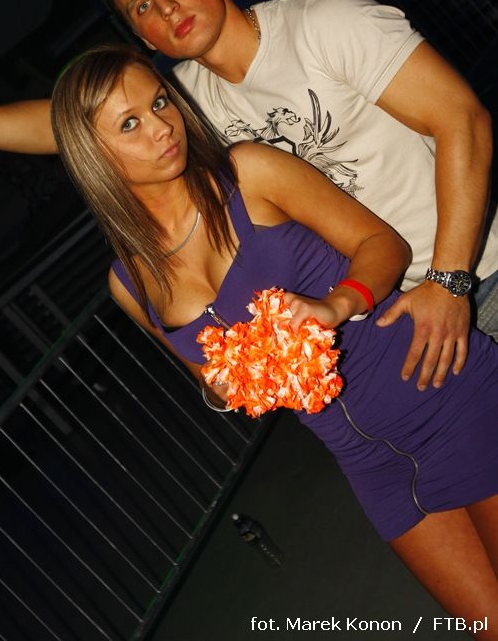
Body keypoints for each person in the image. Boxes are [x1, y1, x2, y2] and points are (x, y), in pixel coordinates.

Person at [49, 44, 498, 636]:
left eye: (159, 102)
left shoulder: (248, 172)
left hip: (437, 385)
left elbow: (382, 245)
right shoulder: (129, 283)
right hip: (367, 462)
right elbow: (211, 385)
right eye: (129, 123)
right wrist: (233, 383)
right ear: (93, 156)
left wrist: (334, 306)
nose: (162, 127)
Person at [0, 0, 497, 388]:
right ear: (143, 37)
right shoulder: (181, 105)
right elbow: (69, 123)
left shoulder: (321, 20)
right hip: (397, 315)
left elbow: (463, 119)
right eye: (142, 6)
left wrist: (449, 282)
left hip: (478, 269)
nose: (166, 6)